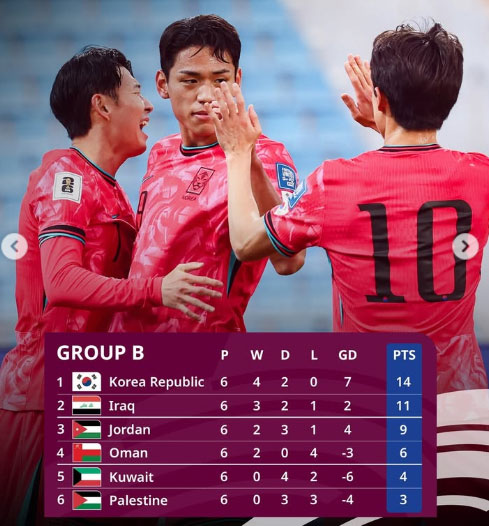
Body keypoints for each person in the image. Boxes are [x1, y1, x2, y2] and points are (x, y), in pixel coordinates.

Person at [0, 46, 222, 525]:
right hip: (46, 397)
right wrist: (155, 290)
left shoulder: (113, 190)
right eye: (138, 93)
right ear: (102, 106)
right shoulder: (65, 178)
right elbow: (61, 281)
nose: (149, 106)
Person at [208, 22, 489, 396]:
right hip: (462, 402)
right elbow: (416, 172)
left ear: (379, 98)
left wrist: (238, 151)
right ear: (448, 100)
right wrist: (389, 125)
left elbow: (245, 243)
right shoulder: (480, 174)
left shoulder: (334, 181)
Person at [111, 14, 304, 334]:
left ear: (237, 80)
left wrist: (247, 157)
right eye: (190, 81)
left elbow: (290, 261)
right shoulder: (160, 151)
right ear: (162, 84)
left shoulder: (267, 155)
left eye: (220, 80)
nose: (206, 95)